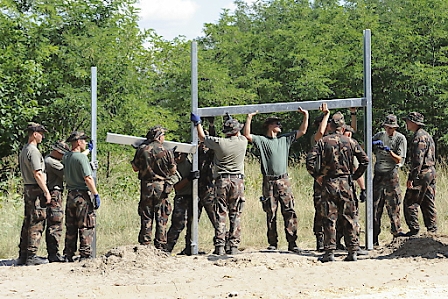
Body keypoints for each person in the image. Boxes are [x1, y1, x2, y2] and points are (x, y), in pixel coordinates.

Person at [244, 107, 309, 253]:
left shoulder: (285, 139)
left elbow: (302, 131)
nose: (279, 125)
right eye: (276, 123)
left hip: (283, 180)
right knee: (270, 213)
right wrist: (249, 118)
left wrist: (306, 115)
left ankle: (292, 243)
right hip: (269, 181)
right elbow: (247, 135)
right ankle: (273, 243)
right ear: (269, 126)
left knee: (289, 211)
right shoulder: (262, 140)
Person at [306, 112, 369, 262]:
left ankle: (329, 252)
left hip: (329, 184)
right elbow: (365, 160)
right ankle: (352, 250)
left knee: (329, 217)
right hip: (346, 183)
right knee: (350, 217)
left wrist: (318, 176)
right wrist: (353, 177)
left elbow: (309, 161)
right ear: (342, 127)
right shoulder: (350, 142)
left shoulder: (323, 142)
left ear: (331, 126)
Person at [190, 113, 247, 255]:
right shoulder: (242, 141)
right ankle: (233, 246)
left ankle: (220, 246)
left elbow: (203, 137)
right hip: (237, 181)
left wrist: (198, 123)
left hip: (221, 181)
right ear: (237, 131)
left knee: (221, 213)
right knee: (235, 213)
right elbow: (243, 132)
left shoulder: (220, 143)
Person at [131, 125, 177, 250]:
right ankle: (160, 245)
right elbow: (173, 170)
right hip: (161, 187)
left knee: (146, 215)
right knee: (162, 215)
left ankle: (145, 244)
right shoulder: (166, 151)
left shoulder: (142, 149)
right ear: (158, 137)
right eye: (163, 135)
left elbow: (135, 168)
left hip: (146, 186)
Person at [63, 131, 101, 262]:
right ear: (79, 142)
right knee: (85, 224)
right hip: (82, 196)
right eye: (84, 141)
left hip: (70, 195)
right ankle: (85, 255)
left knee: (71, 225)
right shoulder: (81, 158)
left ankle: (68, 254)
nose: (85, 143)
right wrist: (95, 194)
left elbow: (77, 157)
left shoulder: (66, 157)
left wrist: (88, 151)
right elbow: (88, 177)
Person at [17, 123, 52, 266]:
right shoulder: (34, 151)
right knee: (36, 222)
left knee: (27, 221)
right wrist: (46, 191)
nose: (42, 136)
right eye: (41, 133)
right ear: (34, 134)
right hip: (35, 189)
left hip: (27, 188)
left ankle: (23, 255)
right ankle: (31, 255)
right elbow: (37, 173)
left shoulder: (24, 150)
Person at [371, 114, 407, 246]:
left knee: (394, 206)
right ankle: (374, 238)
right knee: (375, 206)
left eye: (391, 128)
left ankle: (396, 235)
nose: (389, 129)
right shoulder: (380, 135)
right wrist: (373, 143)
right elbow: (365, 145)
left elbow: (400, 159)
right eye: (387, 127)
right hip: (379, 174)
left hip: (391, 174)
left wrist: (389, 151)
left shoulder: (400, 139)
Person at [402, 112, 437, 236]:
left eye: (408, 121)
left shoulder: (419, 137)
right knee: (428, 200)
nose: (406, 124)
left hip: (423, 172)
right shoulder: (427, 135)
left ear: (413, 123)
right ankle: (432, 229)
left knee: (410, 201)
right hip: (431, 171)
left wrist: (412, 177)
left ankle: (414, 229)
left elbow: (418, 159)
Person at [166, 152, 199, 255]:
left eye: (181, 154)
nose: (179, 157)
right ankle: (167, 248)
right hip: (182, 197)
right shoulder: (174, 167)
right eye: (176, 155)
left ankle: (190, 248)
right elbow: (176, 187)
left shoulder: (191, 160)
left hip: (194, 197)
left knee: (193, 224)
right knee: (178, 224)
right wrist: (189, 178)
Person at [44, 141, 70, 262]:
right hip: (54, 194)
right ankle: (53, 254)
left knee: (55, 223)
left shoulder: (50, 160)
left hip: (55, 193)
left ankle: (53, 253)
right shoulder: (51, 162)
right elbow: (67, 173)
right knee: (55, 223)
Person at [310, 104, 331, 251]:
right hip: (321, 180)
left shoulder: (334, 139)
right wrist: (326, 114)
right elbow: (320, 133)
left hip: (333, 179)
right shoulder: (317, 139)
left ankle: (335, 240)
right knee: (320, 210)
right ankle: (320, 239)